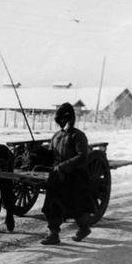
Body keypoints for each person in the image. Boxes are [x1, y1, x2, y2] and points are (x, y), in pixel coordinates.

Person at [40, 102, 95, 245]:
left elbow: (82, 156)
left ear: (70, 119)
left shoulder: (78, 136)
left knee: (76, 207)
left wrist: (64, 166)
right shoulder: (56, 136)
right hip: (57, 176)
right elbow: (52, 154)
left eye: (64, 119)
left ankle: (84, 228)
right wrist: (39, 152)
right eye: (60, 120)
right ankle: (53, 234)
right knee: (51, 205)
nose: (62, 123)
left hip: (75, 177)